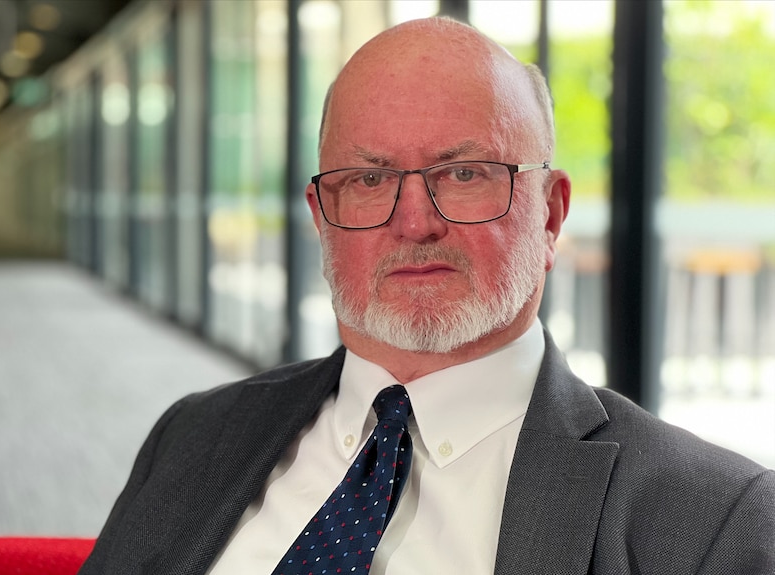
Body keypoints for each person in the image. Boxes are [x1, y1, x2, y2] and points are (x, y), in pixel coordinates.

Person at [79, 17, 774, 575]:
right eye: (368, 179)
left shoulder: (712, 521)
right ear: (322, 219)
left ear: (551, 214)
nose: (414, 222)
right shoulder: (192, 437)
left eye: (465, 171)